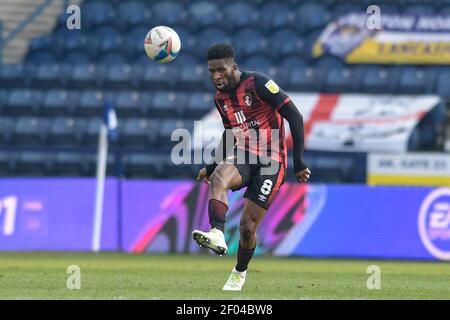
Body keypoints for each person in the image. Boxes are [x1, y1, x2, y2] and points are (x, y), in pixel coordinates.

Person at [192, 43, 311, 291]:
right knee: (219, 178)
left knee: (247, 228)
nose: (216, 76)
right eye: (211, 71)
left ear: (233, 67)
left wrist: (298, 162)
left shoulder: (258, 84)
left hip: (272, 162)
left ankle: (239, 272)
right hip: (245, 154)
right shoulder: (220, 99)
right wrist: (212, 165)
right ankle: (217, 233)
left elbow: (295, 117)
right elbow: (230, 132)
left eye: (221, 70)